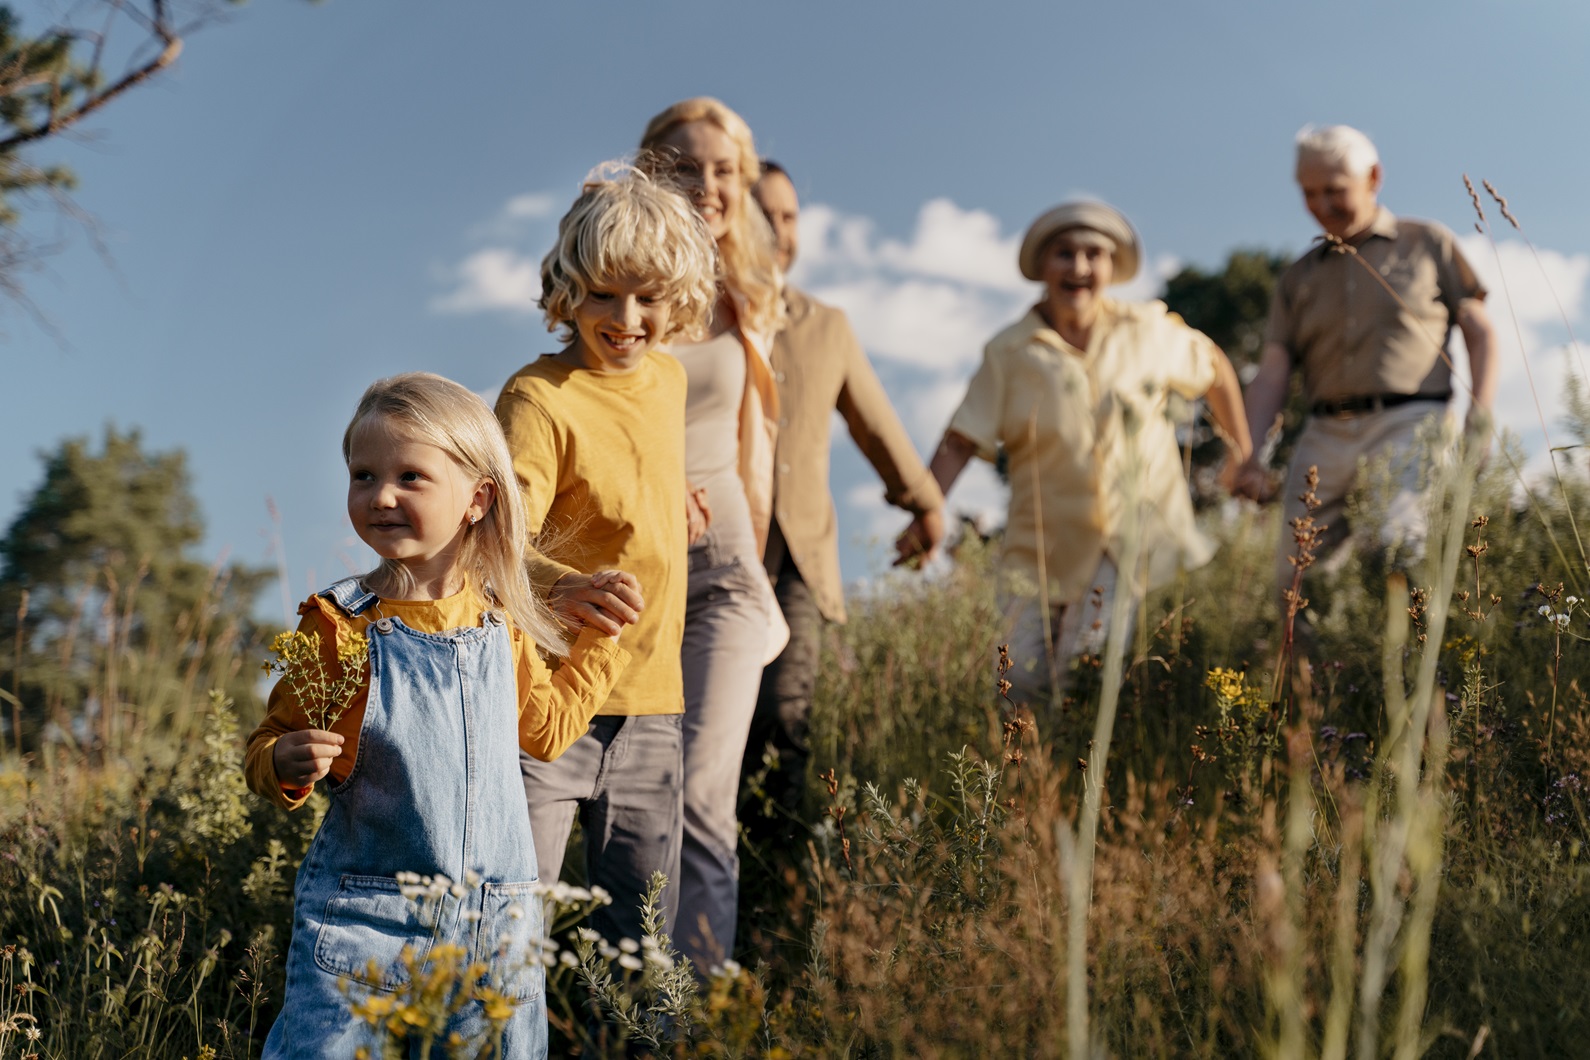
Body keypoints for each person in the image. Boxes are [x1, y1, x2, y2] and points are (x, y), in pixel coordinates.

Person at [245, 372, 630, 1059]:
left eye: (409, 477)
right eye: (363, 475)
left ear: (477, 499)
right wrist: (284, 761)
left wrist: (601, 641)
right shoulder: (337, 627)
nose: (380, 496)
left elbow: (546, 732)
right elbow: (268, 741)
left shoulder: (499, 626)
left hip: (497, 933)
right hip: (370, 926)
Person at [495, 167, 717, 950]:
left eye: (649, 298)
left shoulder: (669, 378)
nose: (626, 319)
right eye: (602, 295)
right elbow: (492, 539)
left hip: (653, 705)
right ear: (566, 289)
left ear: (679, 299)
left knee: (640, 945)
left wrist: (674, 493)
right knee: (511, 928)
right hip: (549, 705)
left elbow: (629, 459)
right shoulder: (537, 398)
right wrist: (565, 587)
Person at [915, 201, 1253, 711]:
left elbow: (1215, 368)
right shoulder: (1010, 351)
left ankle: (1087, 784)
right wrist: (925, 509)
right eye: (1064, 254)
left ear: (1111, 266)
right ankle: (1027, 785)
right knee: (1018, 681)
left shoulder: (1147, 330)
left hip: (1125, 541)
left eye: (1093, 254)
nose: (1078, 268)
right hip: (1039, 546)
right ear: (1042, 267)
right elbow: (962, 438)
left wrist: (1240, 455)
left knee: (1085, 677)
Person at [744, 159, 946, 832]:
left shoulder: (825, 325)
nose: (777, 229)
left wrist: (923, 502)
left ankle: (775, 903)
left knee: (784, 716)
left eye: (789, 216)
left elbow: (875, 420)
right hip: (710, 549)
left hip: (797, 556)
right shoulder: (694, 315)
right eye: (762, 212)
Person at [1230, 125, 1497, 618]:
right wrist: (1249, 456)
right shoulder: (1298, 276)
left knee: (1393, 548)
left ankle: (1414, 679)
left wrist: (1478, 423)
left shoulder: (1426, 242)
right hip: (1324, 431)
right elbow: (1272, 373)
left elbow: (1479, 331)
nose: (1320, 204)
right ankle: (1316, 687)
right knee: (1295, 579)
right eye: (1309, 193)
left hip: (1411, 420)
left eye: (1334, 189)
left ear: (1373, 177)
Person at [637, 97, 786, 973]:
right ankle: (626, 990)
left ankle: (692, 1007)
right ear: (651, 172)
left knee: (700, 792)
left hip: (725, 572)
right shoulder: (616, 283)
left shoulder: (750, 297)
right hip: (631, 576)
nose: (710, 185)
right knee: (633, 798)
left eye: (726, 169)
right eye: (686, 166)